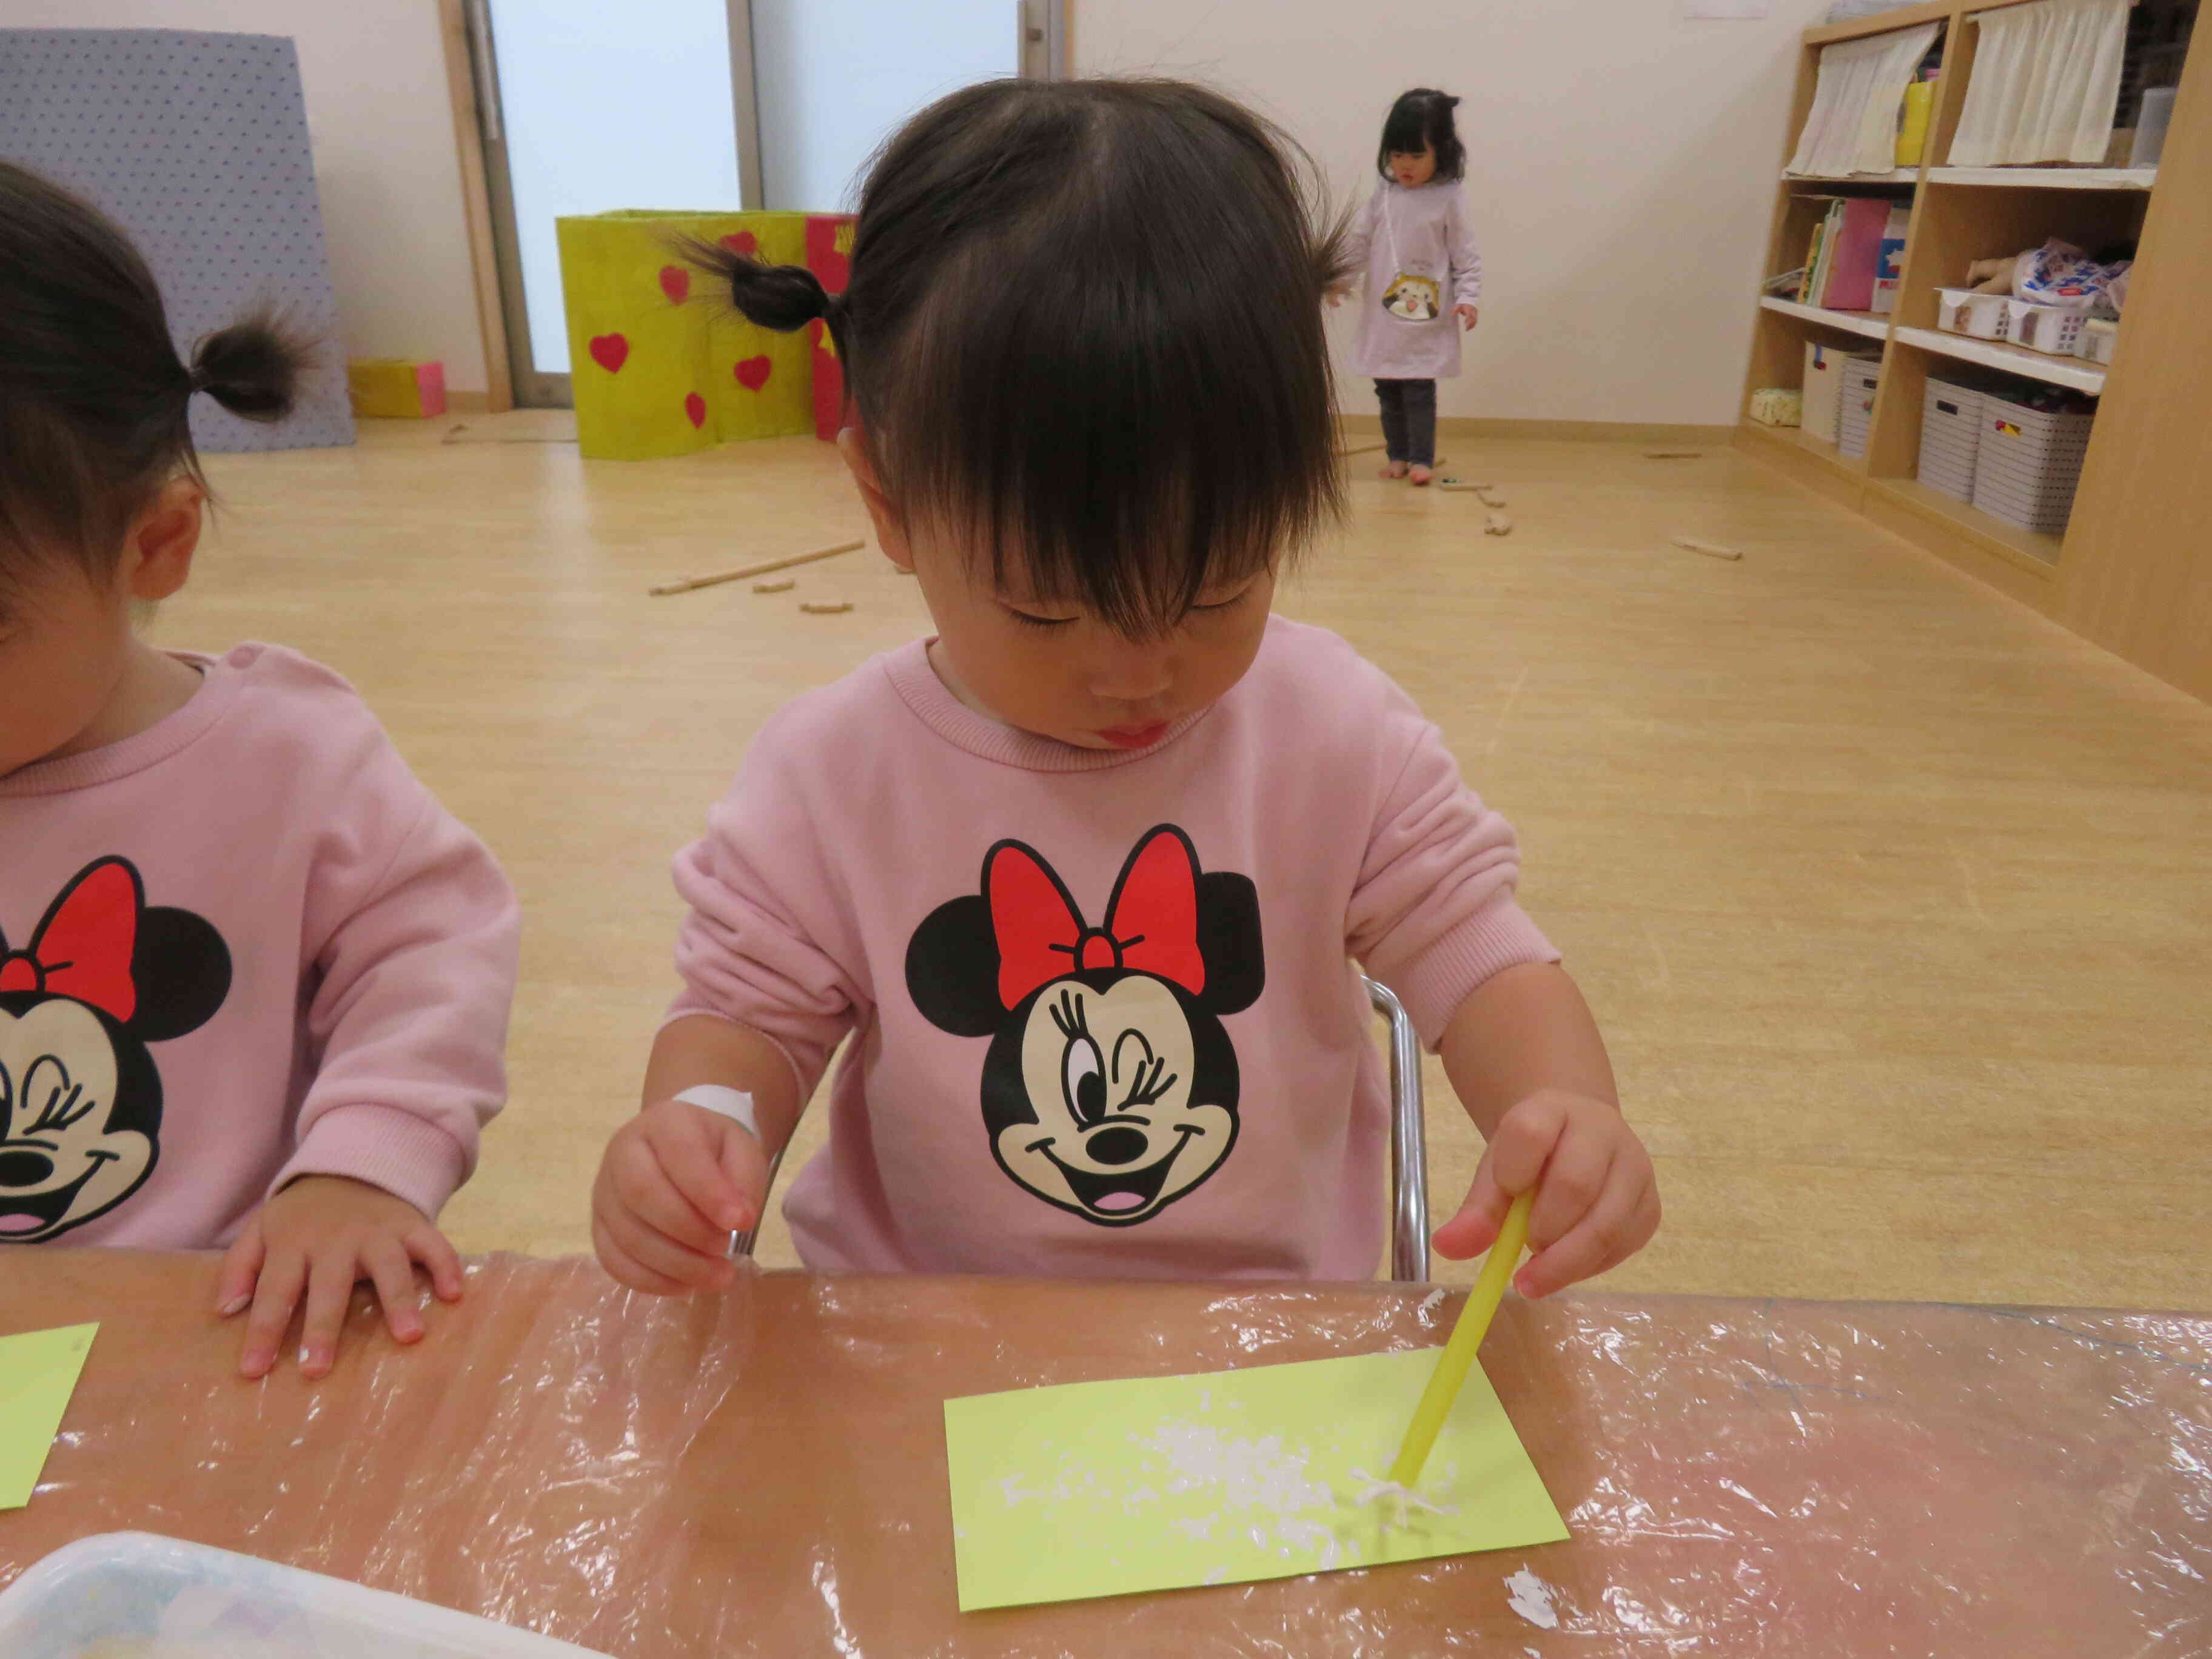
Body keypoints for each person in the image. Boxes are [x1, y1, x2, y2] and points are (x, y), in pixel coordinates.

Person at [591, 78, 1657, 1298]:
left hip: (1267, 1333)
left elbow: (1480, 953)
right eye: (1047, 611)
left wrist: (1567, 1105)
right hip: (921, 1332)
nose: (1140, 669)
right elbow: (751, 1018)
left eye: (1216, 592)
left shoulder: (1334, 732)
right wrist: (700, 1127)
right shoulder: (835, 775)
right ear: (888, 503)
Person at [0, 162, 520, 1379]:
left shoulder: (283, 761)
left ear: (156, 544)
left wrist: (358, 1164)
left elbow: (431, 947)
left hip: (239, 1316)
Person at [1336, 89, 1481, 486]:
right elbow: (1359, 243)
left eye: (1416, 156)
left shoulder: (1450, 197)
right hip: (1386, 315)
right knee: (1387, 388)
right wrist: (1339, 281)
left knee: (1418, 387)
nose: (1404, 165)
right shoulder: (1384, 195)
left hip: (1427, 317)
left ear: (1443, 152)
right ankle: (1397, 454)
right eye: (1397, 155)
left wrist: (1468, 298)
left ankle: (1422, 459)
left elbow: (1465, 256)